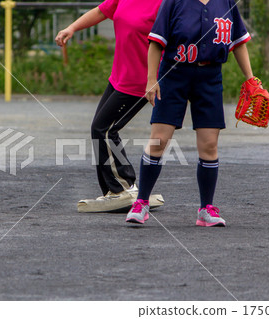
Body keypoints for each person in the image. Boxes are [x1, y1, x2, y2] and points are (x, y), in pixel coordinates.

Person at [126, 0, 254, 225]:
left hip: (210, 77)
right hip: (174, 74)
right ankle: (142, 202)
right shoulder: (174, 2)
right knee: (159, 140)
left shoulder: (226, 3)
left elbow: (239, 43)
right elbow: (156, 43)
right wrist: (151, 79)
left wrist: (250, 79)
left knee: (209, 144)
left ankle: (206, 209)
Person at [55, 0, 164, 213]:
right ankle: (114, 191)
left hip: (141, 81)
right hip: (119, 78)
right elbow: (100, 11)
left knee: (104, 129)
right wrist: (72, 28)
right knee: (100, 129)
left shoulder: (164, 3)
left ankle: (124, 187)